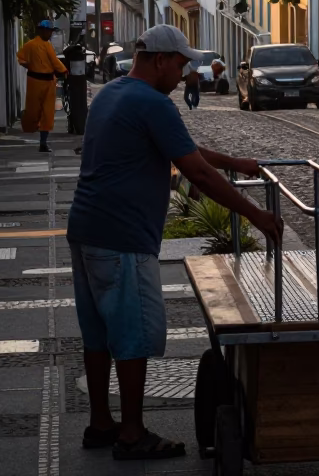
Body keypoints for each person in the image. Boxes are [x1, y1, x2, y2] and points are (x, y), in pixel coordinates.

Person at [67, 23, 282, 461]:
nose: (185, 74)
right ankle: (131, 433)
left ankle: (100, 423)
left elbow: (182, 149)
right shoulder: (153, 102)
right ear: (161, 60)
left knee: (98, 335)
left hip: (85, 228)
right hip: (122, 236)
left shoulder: (112, 92)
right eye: (182, 64)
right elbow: (196, 171)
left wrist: (233, 161)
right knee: (132, 336)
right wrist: (256, 215)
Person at [17, 19, 67, 152]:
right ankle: (29, 125)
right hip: (35, 81)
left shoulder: (47, 45)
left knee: (47, 113)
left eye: (50, 31)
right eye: (48, 31)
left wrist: (62, 71)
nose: (50, 34)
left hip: (49, 82)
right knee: (34, 111)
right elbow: (21, 57)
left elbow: (54, 61)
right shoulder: (32, 45)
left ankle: (43, 142)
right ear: (41, 31)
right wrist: (28, 64)